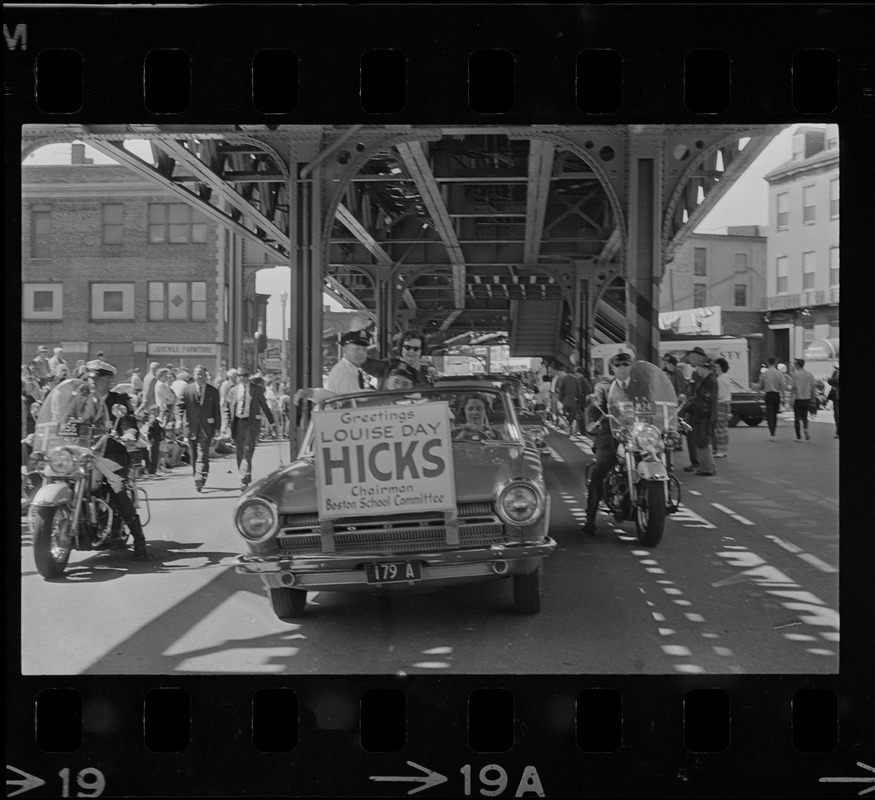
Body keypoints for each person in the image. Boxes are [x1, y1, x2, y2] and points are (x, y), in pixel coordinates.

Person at [76, 359, 149, 560]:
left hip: (111, 454)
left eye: (97, 378)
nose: (92, 382)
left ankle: (139, 539)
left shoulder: (118, 401)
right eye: (90, 378)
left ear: (108, 380)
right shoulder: (82, 399)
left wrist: (129, 435)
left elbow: (128, 423)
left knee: (117, 489)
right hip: (84, 453)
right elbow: (67, 418)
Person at [582, 351, 636, 534]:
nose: (622, 368)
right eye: (618, 365)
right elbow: (596, 406)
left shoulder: (642, 387)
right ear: (612, 367)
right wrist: (595, 421)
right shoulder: (604, 387)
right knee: (600, 471)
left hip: (637, 436)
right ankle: (590, 518)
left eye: (625, 365)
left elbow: (654, 404)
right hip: (611, 436)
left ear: (631, 366)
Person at [228, 365, 275, 490]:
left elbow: (265, 406)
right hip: (237, 423)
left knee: (248, 450)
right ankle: (244, 475)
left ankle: (245, 477)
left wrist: (273, 423)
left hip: (251, 423)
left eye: (245, 375)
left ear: (250, 376)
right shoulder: (232, 390)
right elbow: (227, 409)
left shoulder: (257, 390)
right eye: (240, 375)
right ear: (237, 377)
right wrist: (224, 425)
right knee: (240, 452)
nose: (243, 378)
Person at [179, 364, 221, 491]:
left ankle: (199, 476)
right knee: (194, 454)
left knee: (202, 452)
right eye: (198, 374)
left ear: (206, 376)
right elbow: (179, 406)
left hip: (207, 427)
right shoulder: (187, 389)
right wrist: (178, 420)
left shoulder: (212, 391)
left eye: (202, 374)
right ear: (194, 375)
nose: (200, 377)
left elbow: (217, 410)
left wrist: (218, 427)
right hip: (191, 427)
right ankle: (199, 475)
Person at [362, 329, 434, 389]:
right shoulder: (389, 366)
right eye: (407, 347)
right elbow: (363, 362)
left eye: (416, 349)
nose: (411, 351)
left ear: (422, 351)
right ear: (401, 349)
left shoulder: (427, 375)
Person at [686, 351, 718, 476]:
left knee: (702, 442)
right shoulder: (709, 379)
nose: (696, 370)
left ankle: (706, 468)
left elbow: (707, 401)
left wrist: (697, 410)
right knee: (703, 441)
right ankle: (709, 466)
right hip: (704, 415)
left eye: (697, 367)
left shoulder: (708, 381)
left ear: (704, 368)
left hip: (703, 416)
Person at [758, 356, 788, 440]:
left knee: (769, 412)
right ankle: (773, 431)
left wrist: (757, 395)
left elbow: (760, 385)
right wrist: (784, 397)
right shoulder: (779, 373)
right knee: (774, 413)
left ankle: (770, 429)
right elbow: (783, 386)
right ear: (775, 363)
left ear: (768, 363)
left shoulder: (765, 373)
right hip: (776, 395)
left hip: (768, 395)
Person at [789, 358, 817, 442]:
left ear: (797, 365)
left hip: (798, 398)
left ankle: (798, 436)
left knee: (797, 418)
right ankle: (805, 429)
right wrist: (813, 399)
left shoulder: (795, 375)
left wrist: (791, 396)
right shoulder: (809, 375)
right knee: (805, 416)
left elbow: (792, 387)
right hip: (807, 398)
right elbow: (813, 388)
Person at [712, 357, 732, 459]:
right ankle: (723, 449)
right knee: (723, 429)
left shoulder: (720, 379)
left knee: (719, 429)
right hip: (725, 405)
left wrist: (713, 396)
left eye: (716, 366)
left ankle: (720, 450)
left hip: (720, 404)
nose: (715, 368)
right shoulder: (725, 377)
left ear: (720, 367)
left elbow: (720, 394)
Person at [827, 363, 839, 438]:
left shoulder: (836, 373)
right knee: (836, 415)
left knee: (837, 414)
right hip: (836, 396)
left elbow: (832, 380)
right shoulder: (835, 373)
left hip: (837, 396)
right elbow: (830, 381)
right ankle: (838, 431)